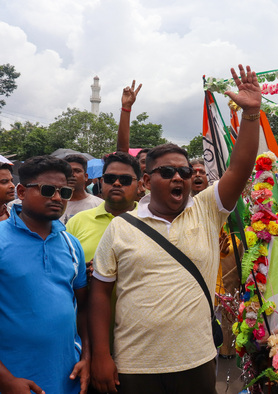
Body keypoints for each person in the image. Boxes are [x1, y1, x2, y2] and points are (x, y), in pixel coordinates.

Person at [89, 64, 261, 394]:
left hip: (196, 362)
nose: (178, 177)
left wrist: (251, 115)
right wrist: (101, 355)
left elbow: (240, 166)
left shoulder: (208, 210)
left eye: (183, 170)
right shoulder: (122, 227)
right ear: (145, 182)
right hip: (135, 365)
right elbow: (99, 294)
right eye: (166, 171)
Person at [0, 155, 89, 394]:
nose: (58, 198)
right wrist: (6, 380)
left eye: (65, 192)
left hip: (68, 378)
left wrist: (87, 357)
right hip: (14, 381)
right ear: (21, 191)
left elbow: (83, 309)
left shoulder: (72, 245)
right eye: (48, 190)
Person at [66, 152, 141, 279]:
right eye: (110, 178)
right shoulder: (78, 221)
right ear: (101, 182)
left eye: (125, 180)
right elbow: (62, 265)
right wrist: (81, 273)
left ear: (139, 185)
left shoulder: (151, 221)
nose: (117, 183)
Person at [61, 154, 103, 224]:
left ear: (86, 177)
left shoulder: (99, 205)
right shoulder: (55, 204)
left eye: (77, 171)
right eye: (68, 171)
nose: (72, 174)